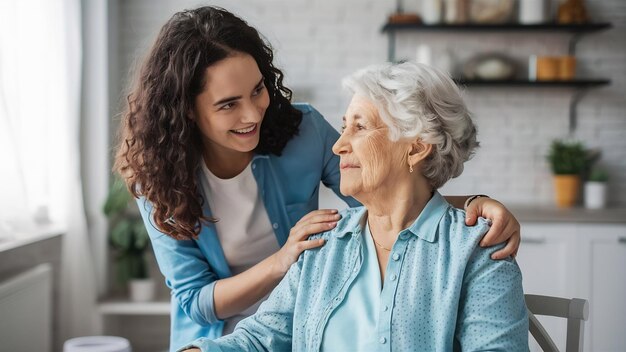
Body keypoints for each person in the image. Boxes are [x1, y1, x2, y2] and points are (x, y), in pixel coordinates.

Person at [114, 6, 523, 352]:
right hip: (217, 331)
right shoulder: (319, 250)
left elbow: (395, 196)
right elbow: (223, 317)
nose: (254, 114)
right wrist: (284, 259)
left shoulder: (473, 251)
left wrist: (473, 205)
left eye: (258, 90)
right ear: (188, 110)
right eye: (228, 105)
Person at [180, 61, 529, 352]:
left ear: (416, 147)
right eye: (345, 127)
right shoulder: (323, 242)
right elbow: (260, 339)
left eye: (359, 127)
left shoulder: (475, 250)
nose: (338, 146)